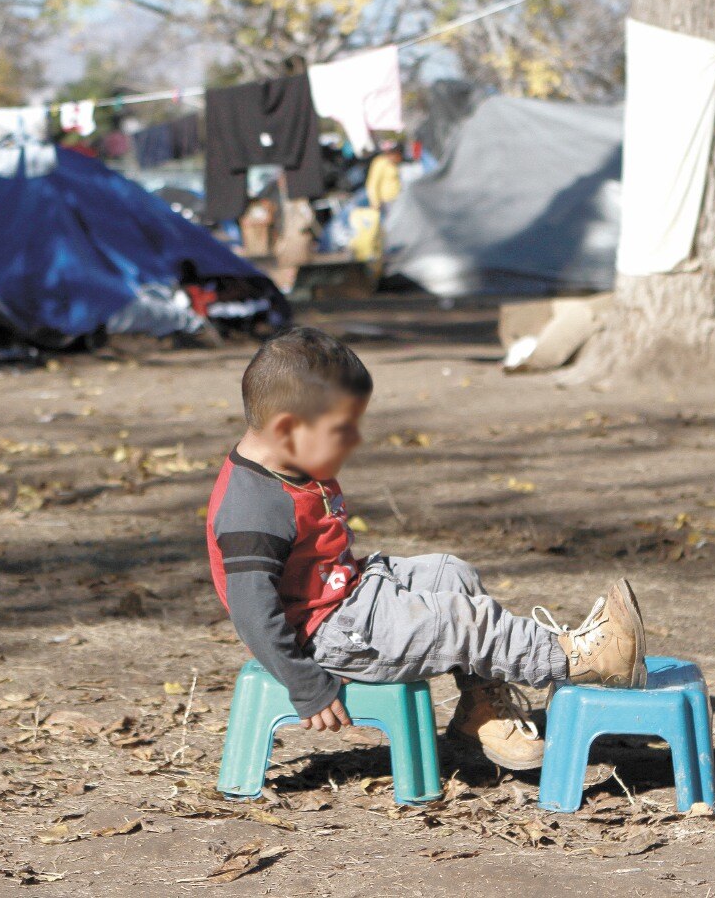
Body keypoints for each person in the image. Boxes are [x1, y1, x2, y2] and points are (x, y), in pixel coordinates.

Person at [205, 327, 647, 771]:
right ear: (286, 428)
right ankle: (572, 658)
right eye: (343, 430)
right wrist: (305, 683)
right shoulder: (252, 508)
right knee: (460, 621)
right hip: (326, 638)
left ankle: (481, 708)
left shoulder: (291, 459)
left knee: (451, 572)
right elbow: (251, 610)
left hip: (350, 597)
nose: (355, 440)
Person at [364, 141, 403, 214]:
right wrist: (375, 203)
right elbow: (372, 184)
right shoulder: (380, 163)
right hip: (389, 201)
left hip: (399, 197)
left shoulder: (394, 164)